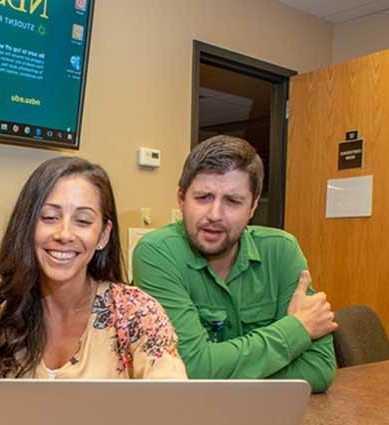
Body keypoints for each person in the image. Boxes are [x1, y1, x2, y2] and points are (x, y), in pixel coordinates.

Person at [132, 135, 336, 392]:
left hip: (272, 419)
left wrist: (220, 371)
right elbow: (192, 369)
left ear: (252, 207)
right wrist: (296, 329)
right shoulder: (157, 253)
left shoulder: (282, 251)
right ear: (181, 199)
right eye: (203, 197)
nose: (214, 215)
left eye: (233, 201)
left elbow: (319, 369)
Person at [0, 157, 187, 381]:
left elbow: (174, 404)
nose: (64, 234)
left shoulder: (136, 312)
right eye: (49, 217)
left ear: (103, 235)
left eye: (83, 221)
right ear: (27, 225)